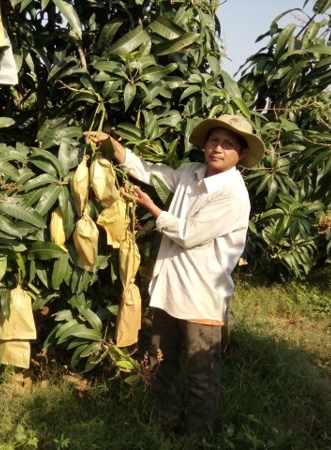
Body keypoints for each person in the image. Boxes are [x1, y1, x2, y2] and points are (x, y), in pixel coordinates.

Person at [84, 114, 265, 437]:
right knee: (161, 363)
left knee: (201, 377)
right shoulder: (190, 173)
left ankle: (199, 438)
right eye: (213, 140)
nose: (217, 148)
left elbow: (189, 233)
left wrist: (153, 209)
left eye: (227, 144)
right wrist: (112, 145)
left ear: (240, 153)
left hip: (201, 298)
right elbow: (150, 172)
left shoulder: (233, 194)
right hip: (168, 292)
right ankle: (165, 428)